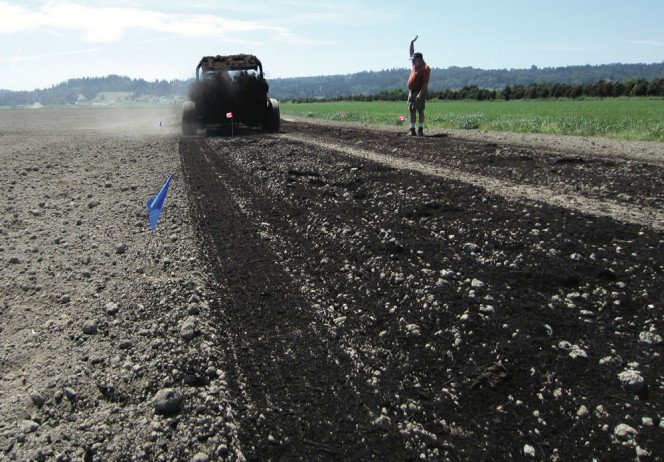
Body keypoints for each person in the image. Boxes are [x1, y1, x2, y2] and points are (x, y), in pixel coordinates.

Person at [407, 35, 431, 136]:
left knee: (420, 110)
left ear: (420, 60)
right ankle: (412, 130)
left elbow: (425, 83)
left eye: (414, 60)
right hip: (412, 92)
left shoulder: (426, 68)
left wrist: (420, 94)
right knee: (412, 110)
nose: (413, 61)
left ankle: (420, 130)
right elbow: (412, 53)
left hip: (419, 91)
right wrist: (412, 42)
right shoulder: (415, 64)